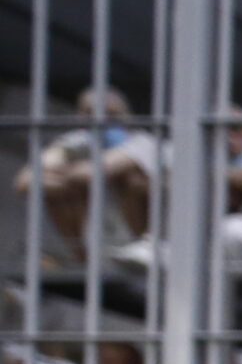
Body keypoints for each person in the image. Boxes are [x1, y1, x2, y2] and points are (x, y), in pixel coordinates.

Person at [15, 87, 157, 266]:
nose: (103, 120)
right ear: (80, 117)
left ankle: (142, 246)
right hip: (92, 233)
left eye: (111, 114)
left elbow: (95, 172)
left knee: (135, 180)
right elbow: (25, 180)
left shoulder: (143, 142)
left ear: (127, 115)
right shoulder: (75, 143)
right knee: (55, 188)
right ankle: (83, 257)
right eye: (92, 114)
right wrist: (77, 177)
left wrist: (69, 172)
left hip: (136, 238)